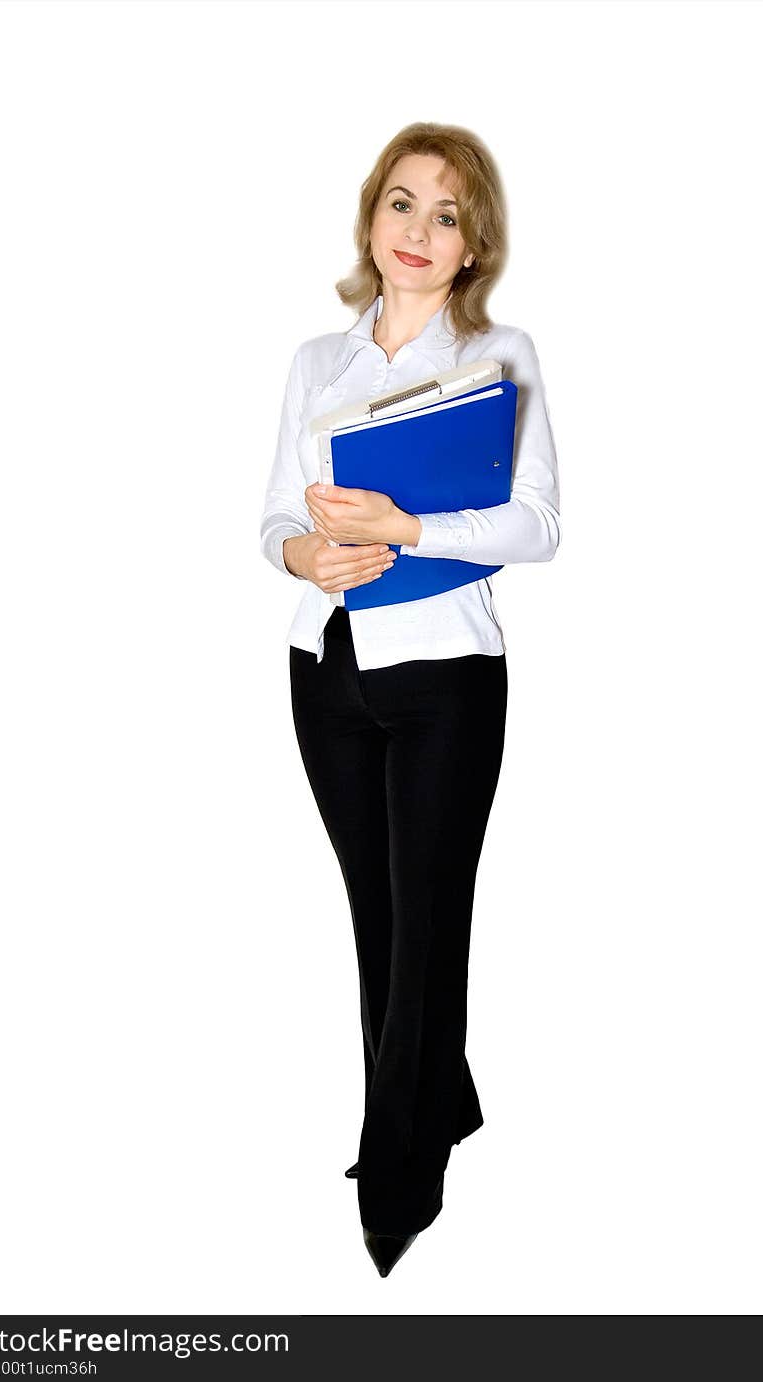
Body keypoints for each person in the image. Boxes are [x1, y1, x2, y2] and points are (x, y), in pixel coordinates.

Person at [259, 122, 561, 1277]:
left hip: (446, 677)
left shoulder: (503, 354)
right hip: (323, 668)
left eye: (447, 211)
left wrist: (406, 529)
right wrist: (305, 558)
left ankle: (396, 1171)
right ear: (369, 222)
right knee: (376, 917)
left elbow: (535, 525)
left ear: (474, 240)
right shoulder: (313, 365)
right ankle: (441, 1094)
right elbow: (274, 519)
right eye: (402, 203)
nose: (420, 230)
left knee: (430, 918)